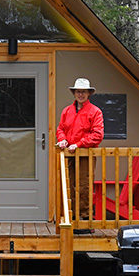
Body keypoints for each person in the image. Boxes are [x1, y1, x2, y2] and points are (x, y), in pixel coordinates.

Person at [56, 78, 104, 234]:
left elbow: (98, 135)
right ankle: (72, 218)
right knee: (69, 187)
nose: (81, 94)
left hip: (85, 154)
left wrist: (79, 144)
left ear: (89, 93)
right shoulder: (67, 111)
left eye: (84, 91)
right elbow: (60, 129)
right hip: (69, 155)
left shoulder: (95, 111)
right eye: (78, 91)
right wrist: (62, 140)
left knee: (84, 186)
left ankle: (85, 220)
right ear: (74, 93)